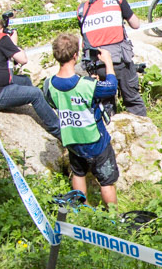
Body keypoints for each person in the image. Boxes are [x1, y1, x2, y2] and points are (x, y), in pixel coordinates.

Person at [45, 31, 122, 207]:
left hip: (72, 139)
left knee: (78, 173)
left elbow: (52, 101)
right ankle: (114, 218)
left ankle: (81, 209)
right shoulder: (85, 85)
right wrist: (108, 63)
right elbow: (110, 88)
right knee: (106, 180)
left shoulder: (48, 84)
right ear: (75, 55)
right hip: (95, 140)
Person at [0, 9, 60, 138]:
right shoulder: (1, 38)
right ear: (0, 29)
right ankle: (58, 130)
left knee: (25, 81)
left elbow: (0, 65)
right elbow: (23, 60)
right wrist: (13, 43)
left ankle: (44, 110)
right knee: (36, 94)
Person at [76, 0, 147, 116]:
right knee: (133, 100)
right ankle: (143, 131)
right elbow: (136, 24)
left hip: (95, 63)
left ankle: (110, 131)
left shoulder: (83, 8)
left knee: (106, 103)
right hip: (119, 61)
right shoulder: (117, 0)